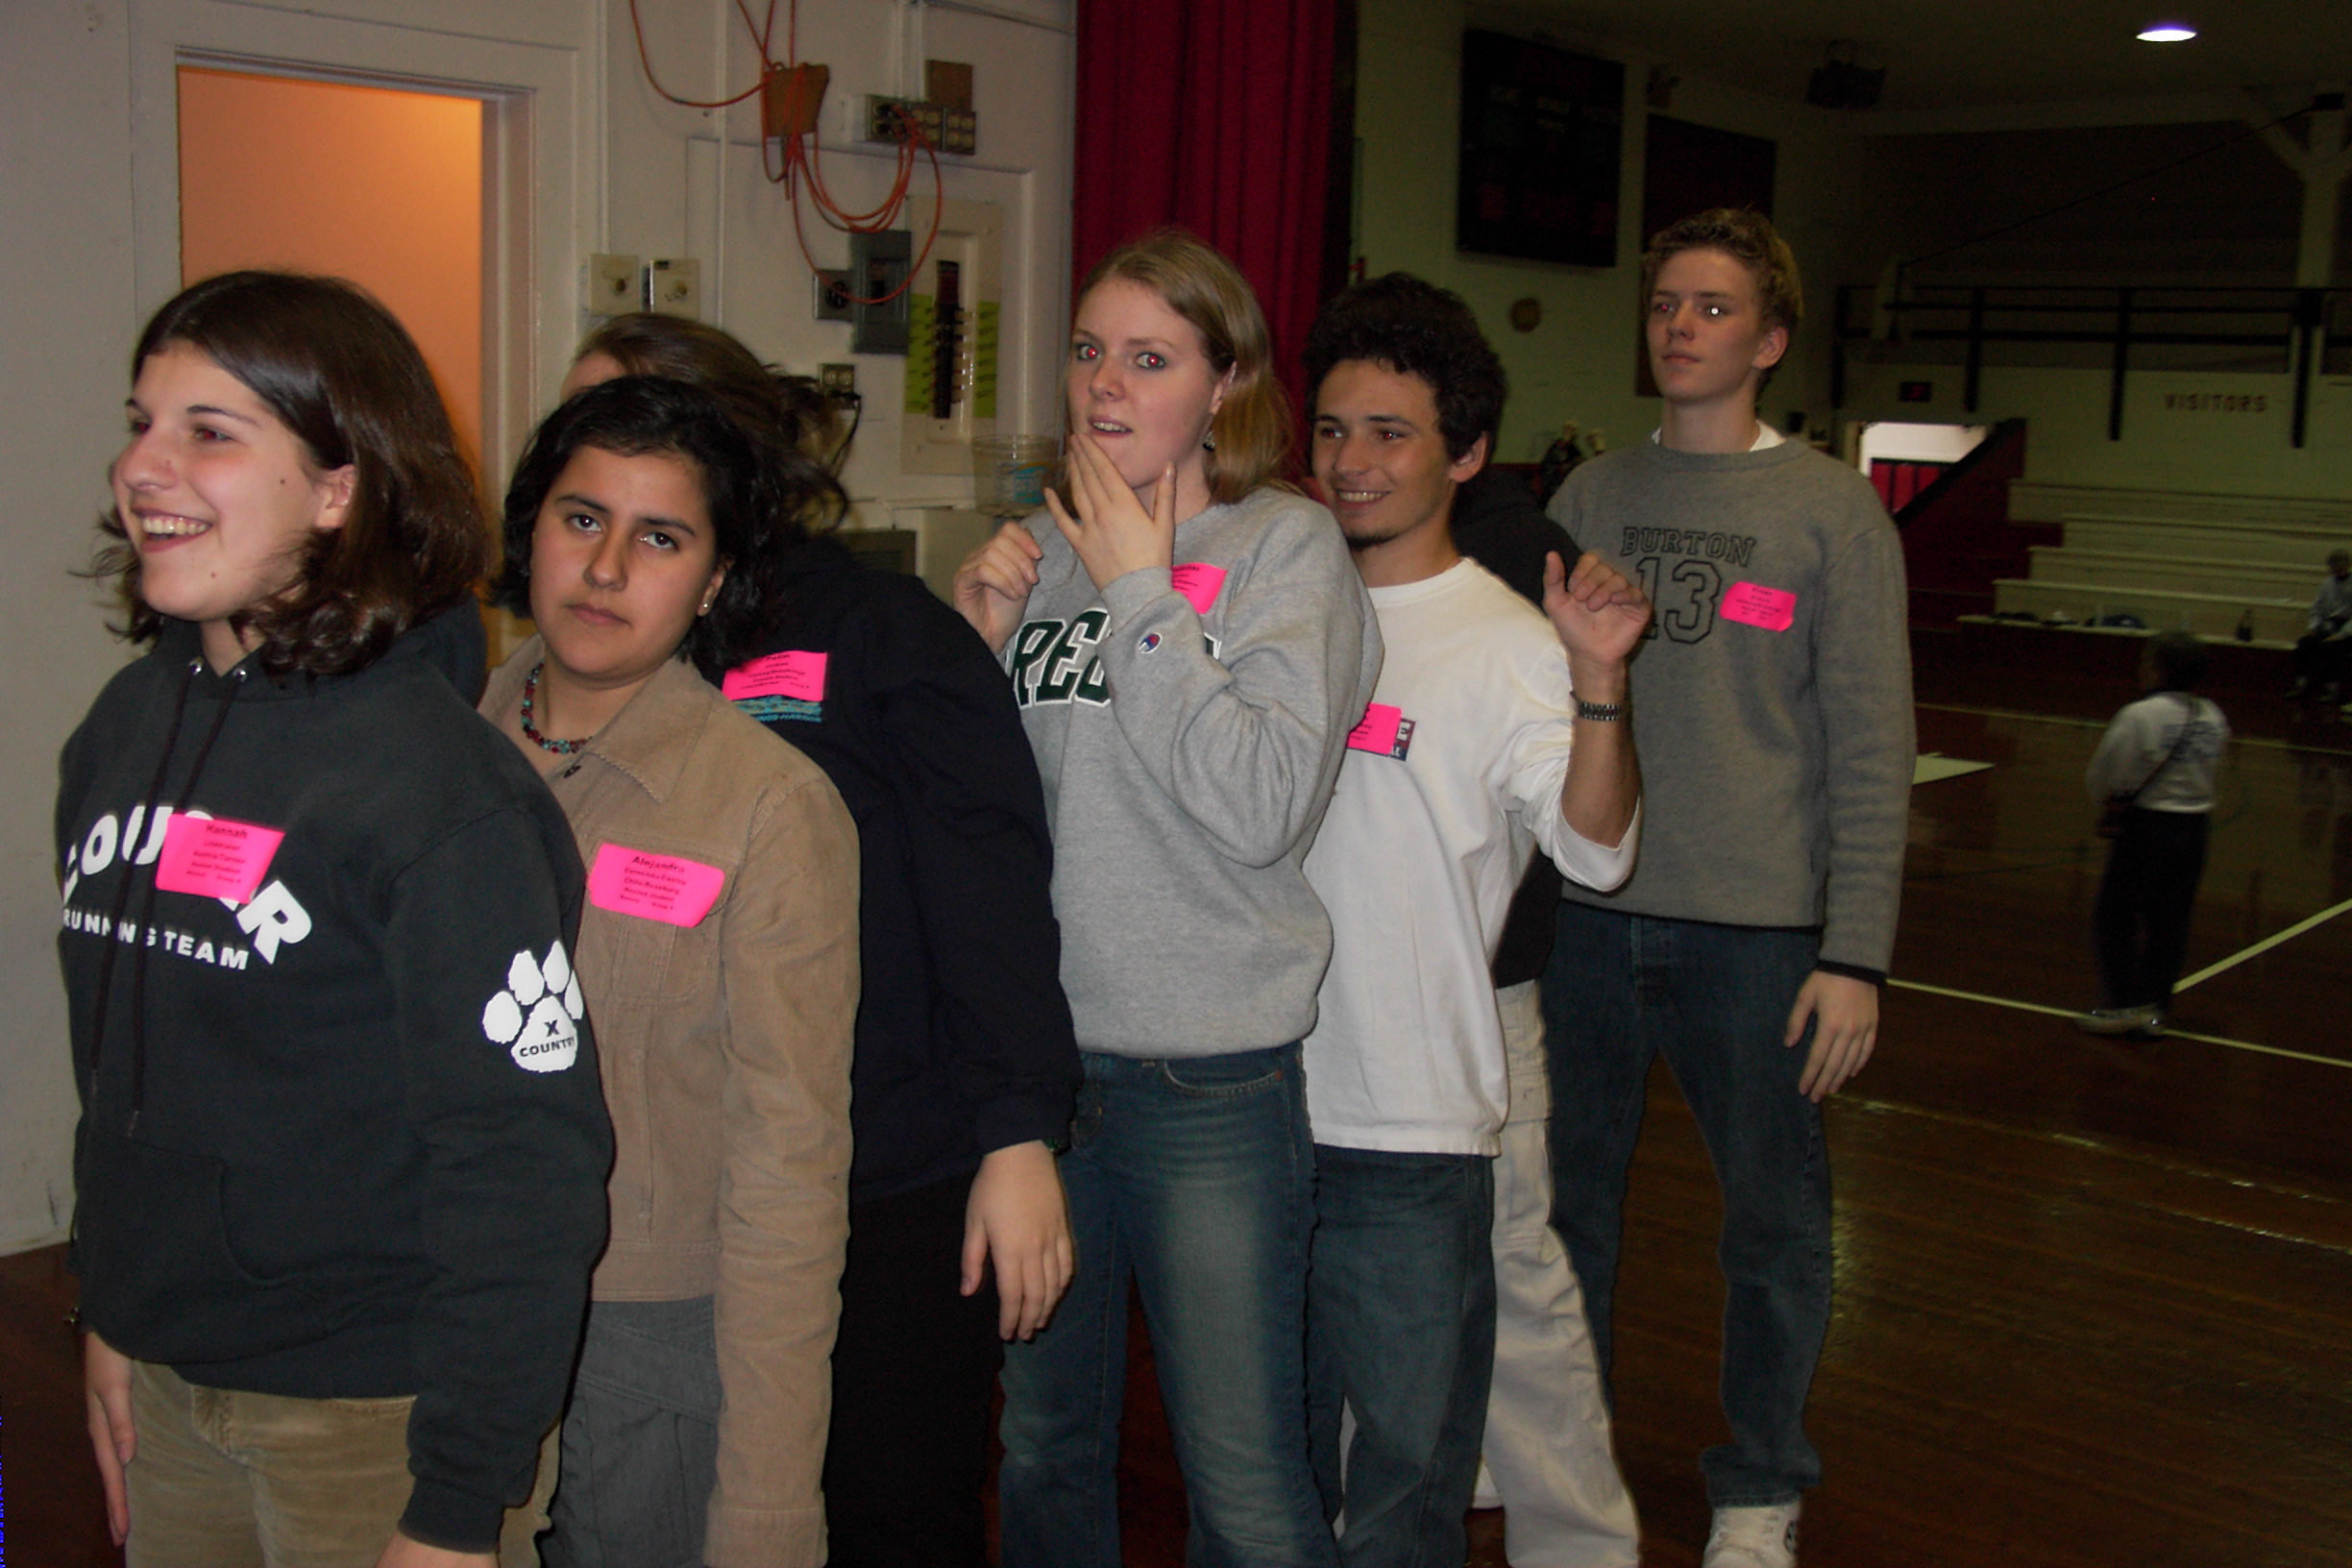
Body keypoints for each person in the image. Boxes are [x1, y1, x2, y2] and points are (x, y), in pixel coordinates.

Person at [59, 270, 611, 1566]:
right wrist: (112, 1304)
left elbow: (524, 1165)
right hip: (167, 1379)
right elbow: (126, 1072)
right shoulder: (123, 729)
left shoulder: (439, 792)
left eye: (210, 431)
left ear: (337, 488)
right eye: (143, 423)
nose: (142, 468)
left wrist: (458, 1502)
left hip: (377, 1415)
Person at [559, 316, 1079, 1568]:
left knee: (887, 1503)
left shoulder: (882, 634)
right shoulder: (584, 659)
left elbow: (990, 895)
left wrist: (1016, 1133)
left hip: (883, 1167)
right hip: (675, 1180)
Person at [953, 229, 1381, 1568]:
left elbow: (1260, 803)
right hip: (1040, 1078)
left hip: (1208, 1085)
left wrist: (1143, 588)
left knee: (1245, 1484)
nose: (1105, 384)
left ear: (1225, 383)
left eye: (1150, 359)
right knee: (1043, 1447)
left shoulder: (1286, 548)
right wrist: (971, 654)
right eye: (1091, 351)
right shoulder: (1038, 554)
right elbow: (986, 828)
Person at [1541, 209, 1915, 1568]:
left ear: (1769, 340)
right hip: (1584, 922)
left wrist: (1854, 954)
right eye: (1664, 305)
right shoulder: (1590, 496)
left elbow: (1871, 747)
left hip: (1758, 940)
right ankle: (1561, 1459)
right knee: (1561, 1218)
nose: (1680, 328)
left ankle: (1760, 1484)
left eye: (1712, 308)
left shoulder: (1830, 512)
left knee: (1773, 1226)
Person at [1296, 272, 1648, 1568]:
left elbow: (1599, 852)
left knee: (1407, 1473)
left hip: (1414, 1120)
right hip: (1257, 1106)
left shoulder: (1508, 643)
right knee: (1286, 1456)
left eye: (1390, 434)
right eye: (1334, 429)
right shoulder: (1281, 617)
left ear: (1466, 455)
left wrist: (1599, 682)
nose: (1352, 462)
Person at [479, 375, 860, 1567]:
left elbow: (790, 1175)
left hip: (641, 1345)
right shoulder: (432, 758)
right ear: (531, 530)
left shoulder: (769, 807)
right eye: (582, 518)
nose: (605, 570)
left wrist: (768, 1510)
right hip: (432, 1304)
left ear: (713, 581)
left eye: (659, 539)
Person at [2078, 630, 2229, 1038]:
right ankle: (2155, 1007)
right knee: (2170, 923)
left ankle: (2125, 1004)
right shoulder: (2213, 716)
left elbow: (2104, 776)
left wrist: (2110, 805)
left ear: (2159, 670)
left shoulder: (2140, 715)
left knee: (2115, 916)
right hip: (2194, 829)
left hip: (2147, 828)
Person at [2286, 548, 2351, 701]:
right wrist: (2314, 626)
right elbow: (2317, 609)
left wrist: (2342, 634)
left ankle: (2332, 689)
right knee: (2305, 643)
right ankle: (2301, 685)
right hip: (2329, 626)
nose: (2338, 567)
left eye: (2342, 563)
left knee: (2330, 648)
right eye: (2334, 564)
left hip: (2347, 629)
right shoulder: (2327, 585)